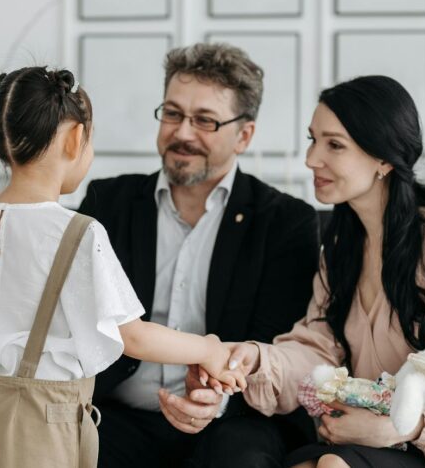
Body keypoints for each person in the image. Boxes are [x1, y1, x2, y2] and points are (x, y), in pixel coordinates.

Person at [0, 66, 247, 468]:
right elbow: (130, 335)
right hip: (41, 422)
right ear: (76, 139)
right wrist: (207, 348)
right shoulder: (78, 232)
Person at [222, 75, 425, 468]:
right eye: (313, 139)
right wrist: (253, 359)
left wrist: (403, 428)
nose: (311, 159)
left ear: (384, 158)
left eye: (334, 145)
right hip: (380, 442)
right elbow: (317, 349)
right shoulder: (339, 246)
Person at [78, 43, 320, 467]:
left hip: (233, 418)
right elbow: (79, 325)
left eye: (204, 120)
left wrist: (217, 400)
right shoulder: (108, 202)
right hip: (116, 412)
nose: (182, 133)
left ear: (244, 135)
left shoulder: (285, 223)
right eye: (172, 113)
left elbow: (275, 344)